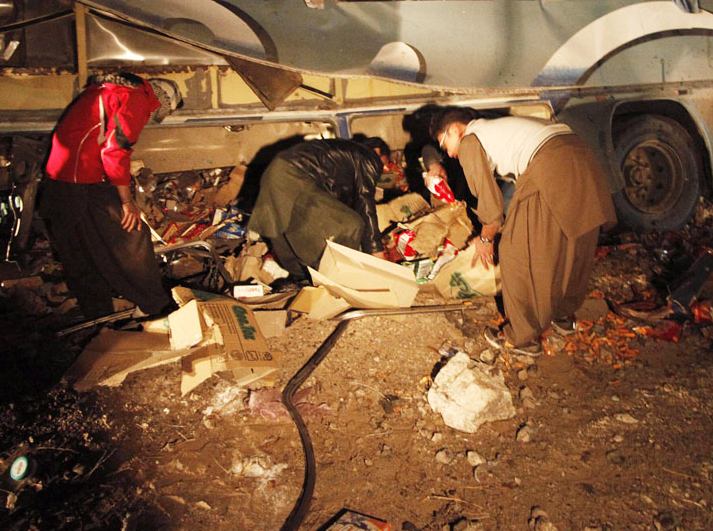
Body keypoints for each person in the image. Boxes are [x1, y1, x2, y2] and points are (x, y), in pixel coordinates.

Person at [430, 109, 615, 357]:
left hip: (549, 161)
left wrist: (486, 238)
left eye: (445, 143)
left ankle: (522, 336)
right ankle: (563, 315)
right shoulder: (496, 128)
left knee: (516, 251)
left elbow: (490, 203)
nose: (449, 153)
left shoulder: (471, 139)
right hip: (580, 153)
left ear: (455, 129)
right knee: (571, 238)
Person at [38, 73, 182, 319]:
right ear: (162, 100)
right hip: (82, 179)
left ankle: (99, 317)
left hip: (62, 180)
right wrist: (127, 202)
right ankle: (158, 307)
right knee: (132, 237)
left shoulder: (110, 91)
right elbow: (115, 152)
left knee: (80, 252)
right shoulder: (136, 99)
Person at [247, 138, 387, 278]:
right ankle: (342, 276)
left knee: (285, 232)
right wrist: (376, 251)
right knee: (352, 225)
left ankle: (301, 278)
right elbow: (365, 200)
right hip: (294, 175)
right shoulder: (370, 158)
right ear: (377, 151)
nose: (382, 170)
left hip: (276, 170)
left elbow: (335, 197)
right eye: (385, 163)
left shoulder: (344, 157)